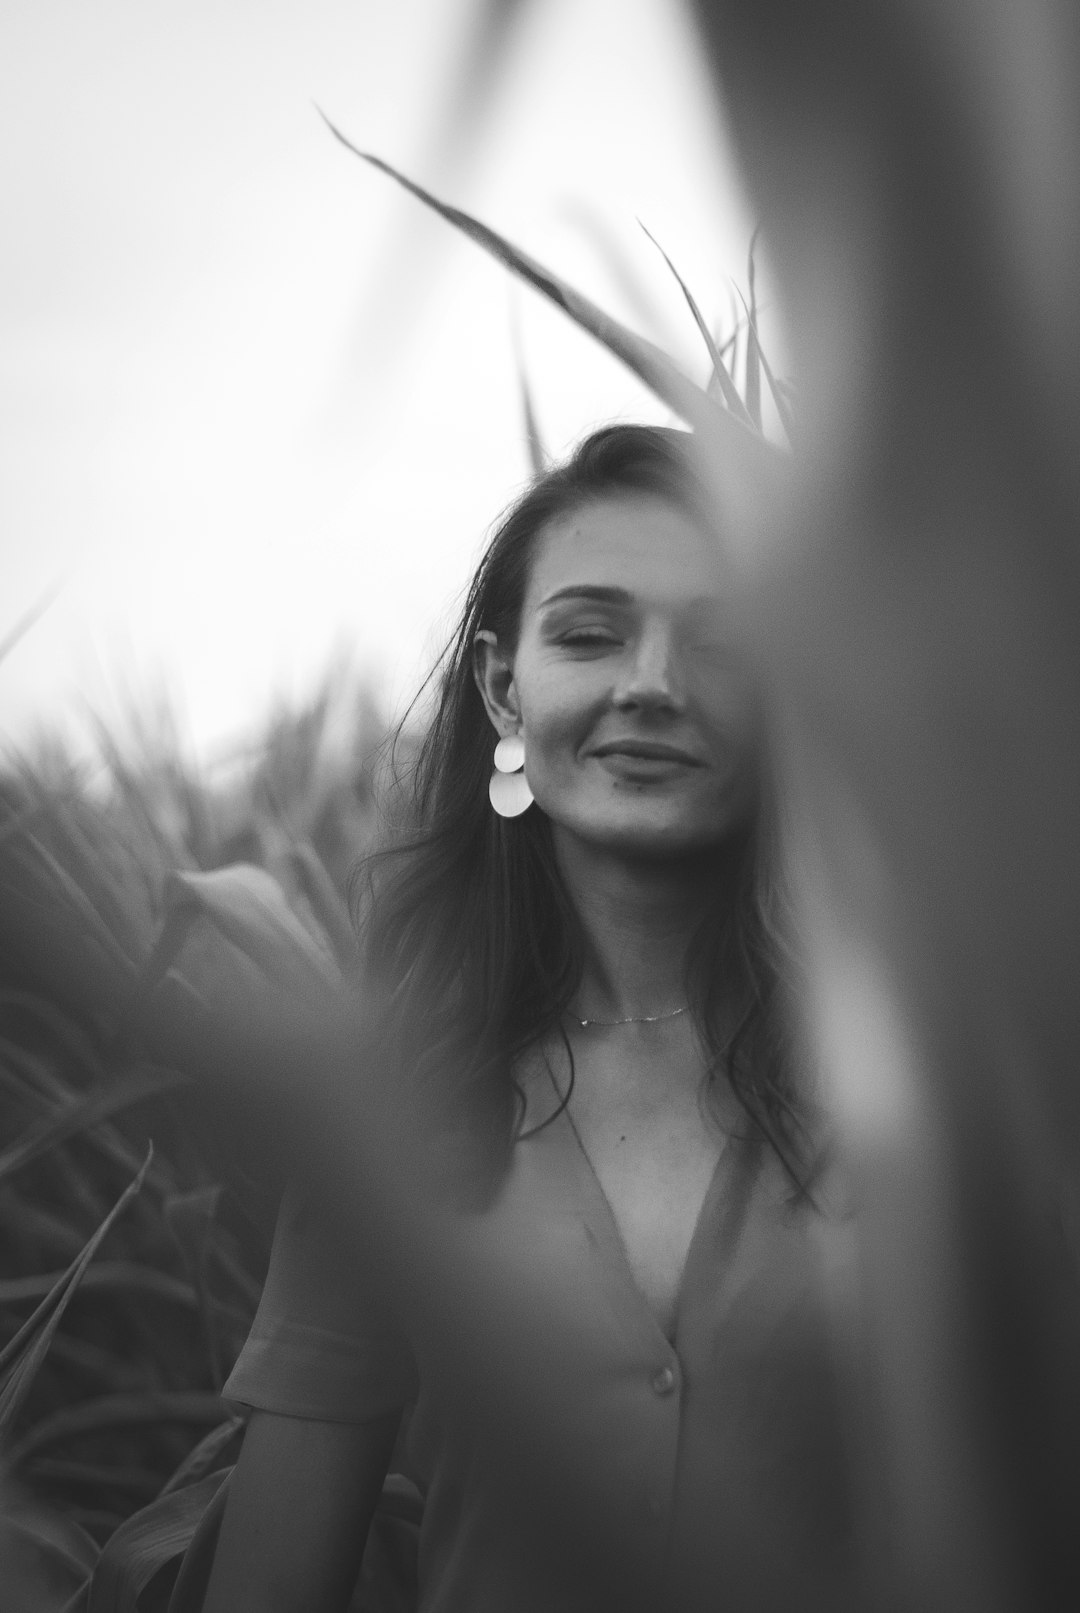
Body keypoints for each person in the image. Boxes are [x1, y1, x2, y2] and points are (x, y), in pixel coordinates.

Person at [200, 424, 854, 1613]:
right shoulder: (396, 1105)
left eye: (721, 643)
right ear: (506, 684)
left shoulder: (906, 1091)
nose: (651, 682)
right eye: (591, 633)